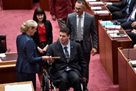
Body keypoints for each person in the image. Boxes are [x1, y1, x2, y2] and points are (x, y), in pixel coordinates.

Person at [66, 0, 97, 90]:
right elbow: (67, 32)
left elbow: (94, 33)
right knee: (73, 64)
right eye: (75, 8)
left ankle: (85, 86)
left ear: (84, 8)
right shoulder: (70, 17)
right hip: (73, 45)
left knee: (85, 66)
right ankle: (75, 84)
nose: (76, 10)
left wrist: (95, 46)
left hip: (85, 45)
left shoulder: (90, 18)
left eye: (79, 9)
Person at [16, 20, 53, 90]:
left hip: (20, 67)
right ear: (30, 29)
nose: (36, 31)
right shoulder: (29, 41)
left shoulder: (19, 37)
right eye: (35, 29)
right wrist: (43, 58)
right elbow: (31, 59)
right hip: (28, 70)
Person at [46, 27, 87, 91]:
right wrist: (49, 61)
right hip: (59, 70)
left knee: (76, 79)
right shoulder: (52, 47)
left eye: (63, 36)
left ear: (68, 36)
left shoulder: (76, 46)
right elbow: (47, 60)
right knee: (63, 79)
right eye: (60, 35)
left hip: (73, 69)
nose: (61, 38)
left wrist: (84, 75)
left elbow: (82, 61)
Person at [32, 7, 53, 90]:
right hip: (37, 46)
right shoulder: (33, 24)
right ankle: (41, 85)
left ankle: (48, 83)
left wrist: (47, 47)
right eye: (38, 15)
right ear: (35, 16)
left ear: (44, 15)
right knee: (40, 68)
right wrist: (38, 48)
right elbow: (32, 39)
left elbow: (50, 37)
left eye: (41, 15)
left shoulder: (48, 23)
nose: (40, 17)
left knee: (48, 66)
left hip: (47, 46)